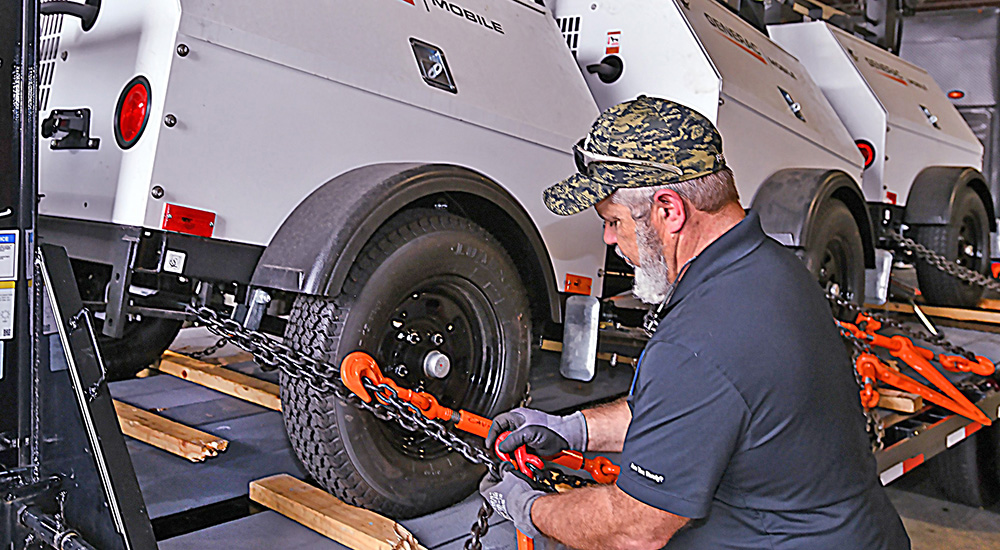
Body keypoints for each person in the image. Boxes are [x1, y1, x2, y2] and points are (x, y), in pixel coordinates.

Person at [479, 96, 910, 550]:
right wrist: (575, 430)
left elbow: (634, 527)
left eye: (612, 220)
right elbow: (696, 413)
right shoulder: (770, 269)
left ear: (669, 210)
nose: (609, 238)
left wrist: (528, 508)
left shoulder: (699, 341)